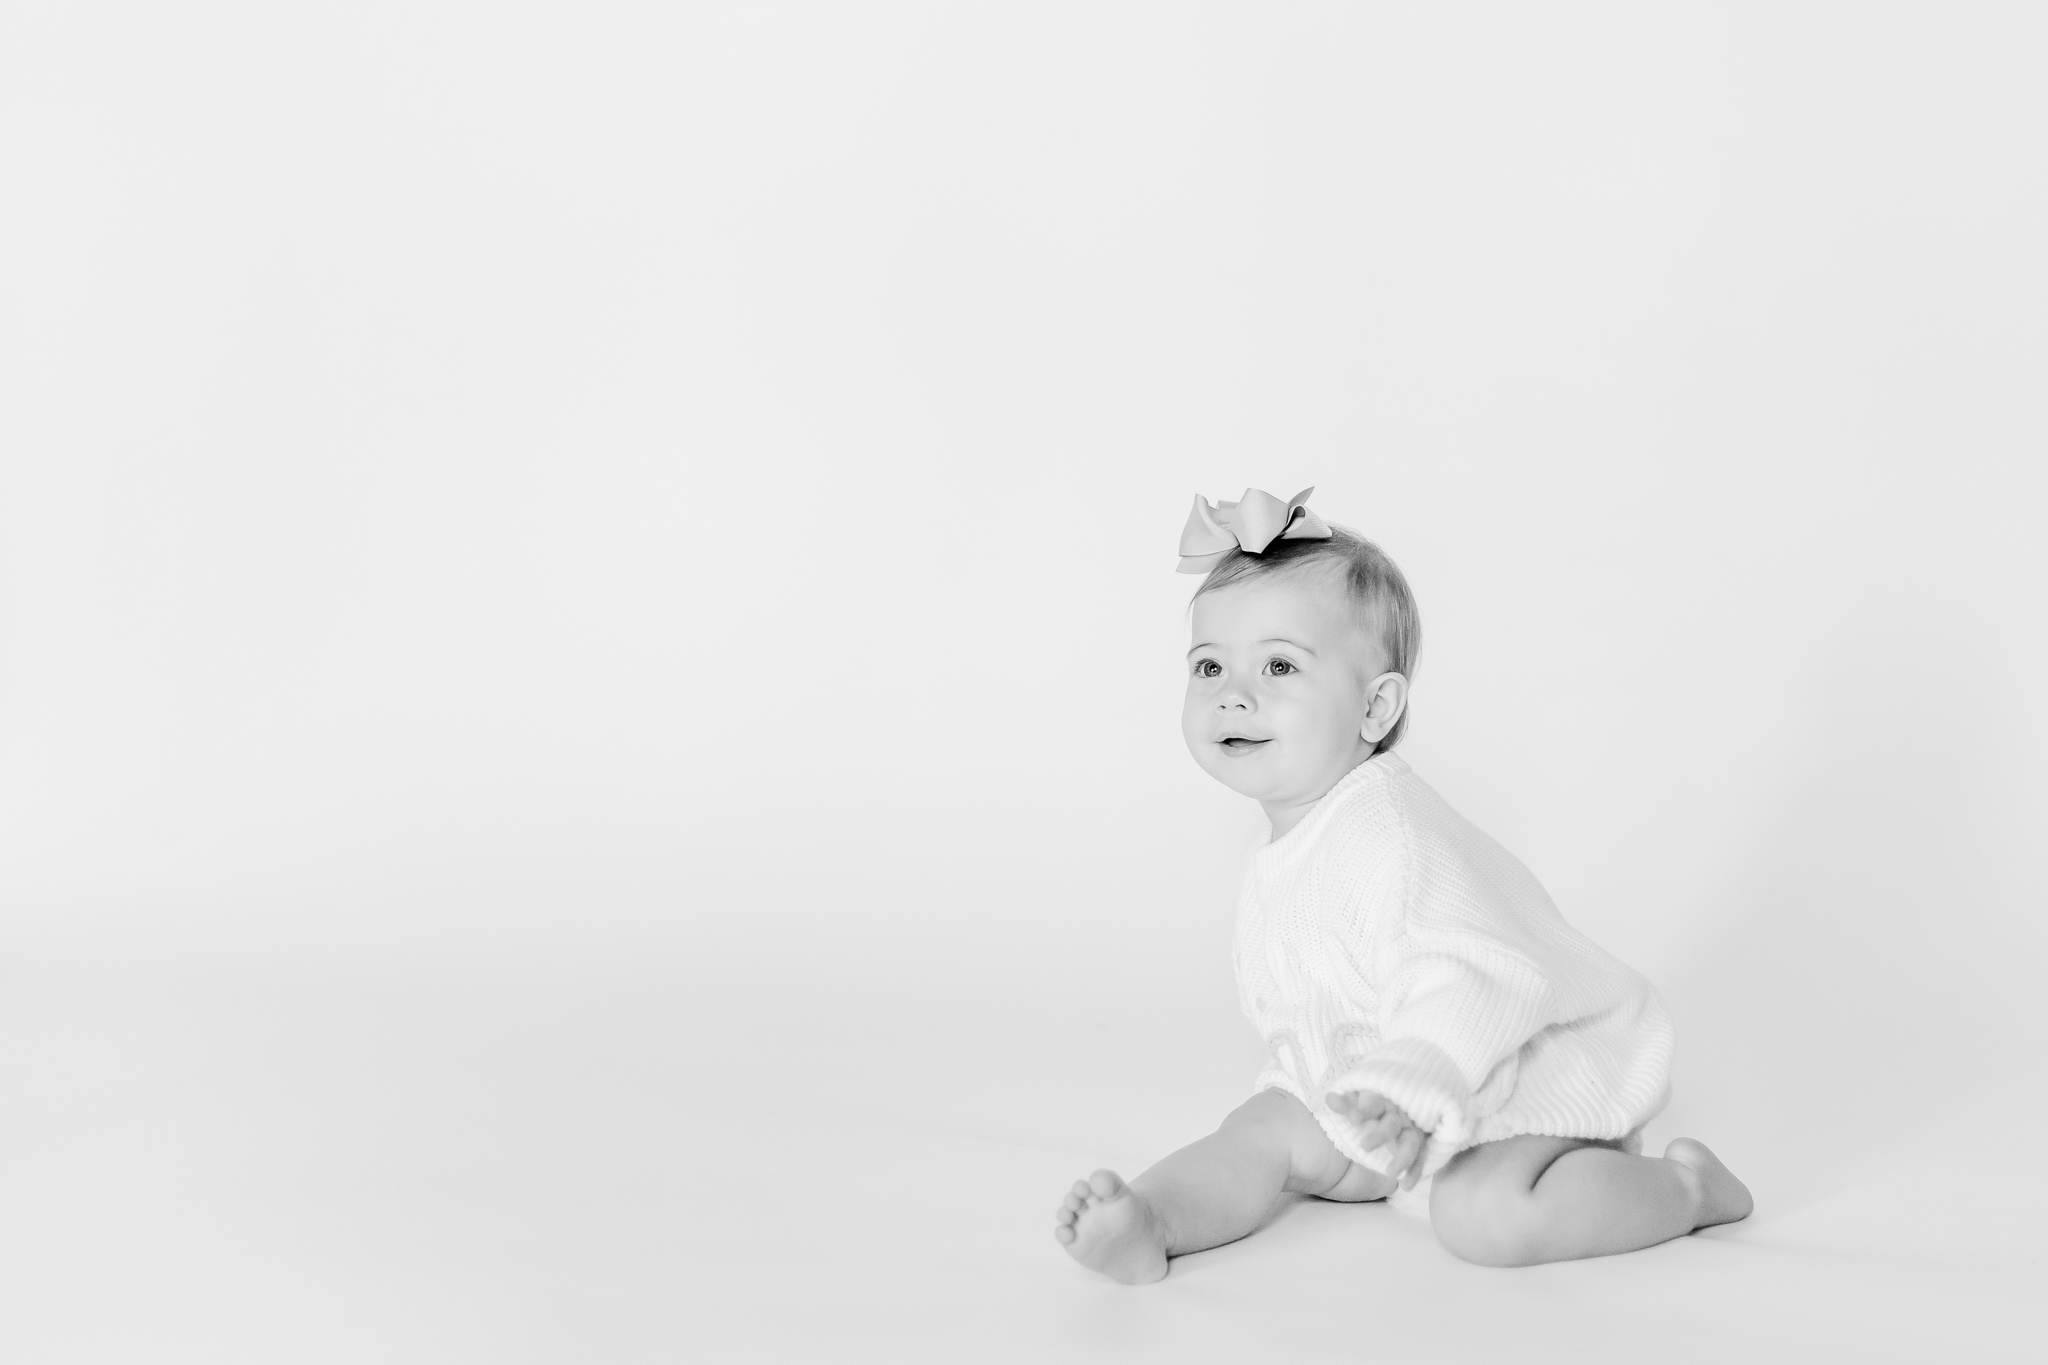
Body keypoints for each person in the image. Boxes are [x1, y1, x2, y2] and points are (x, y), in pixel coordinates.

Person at [1054, 488, 1751, 1283]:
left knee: (1482, 1215)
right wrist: (1349, 1095)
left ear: (1376, 706)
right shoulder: (1294, 838)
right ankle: (1152, 1219)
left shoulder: (1391, 837)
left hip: (1513, 1077)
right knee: (1261, 1129)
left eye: (1278, 664)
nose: (1232, 691)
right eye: (1209, 665)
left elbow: (1481, 974)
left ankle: (1687, 1187)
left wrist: (1408, 1084)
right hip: (1387, 1096)